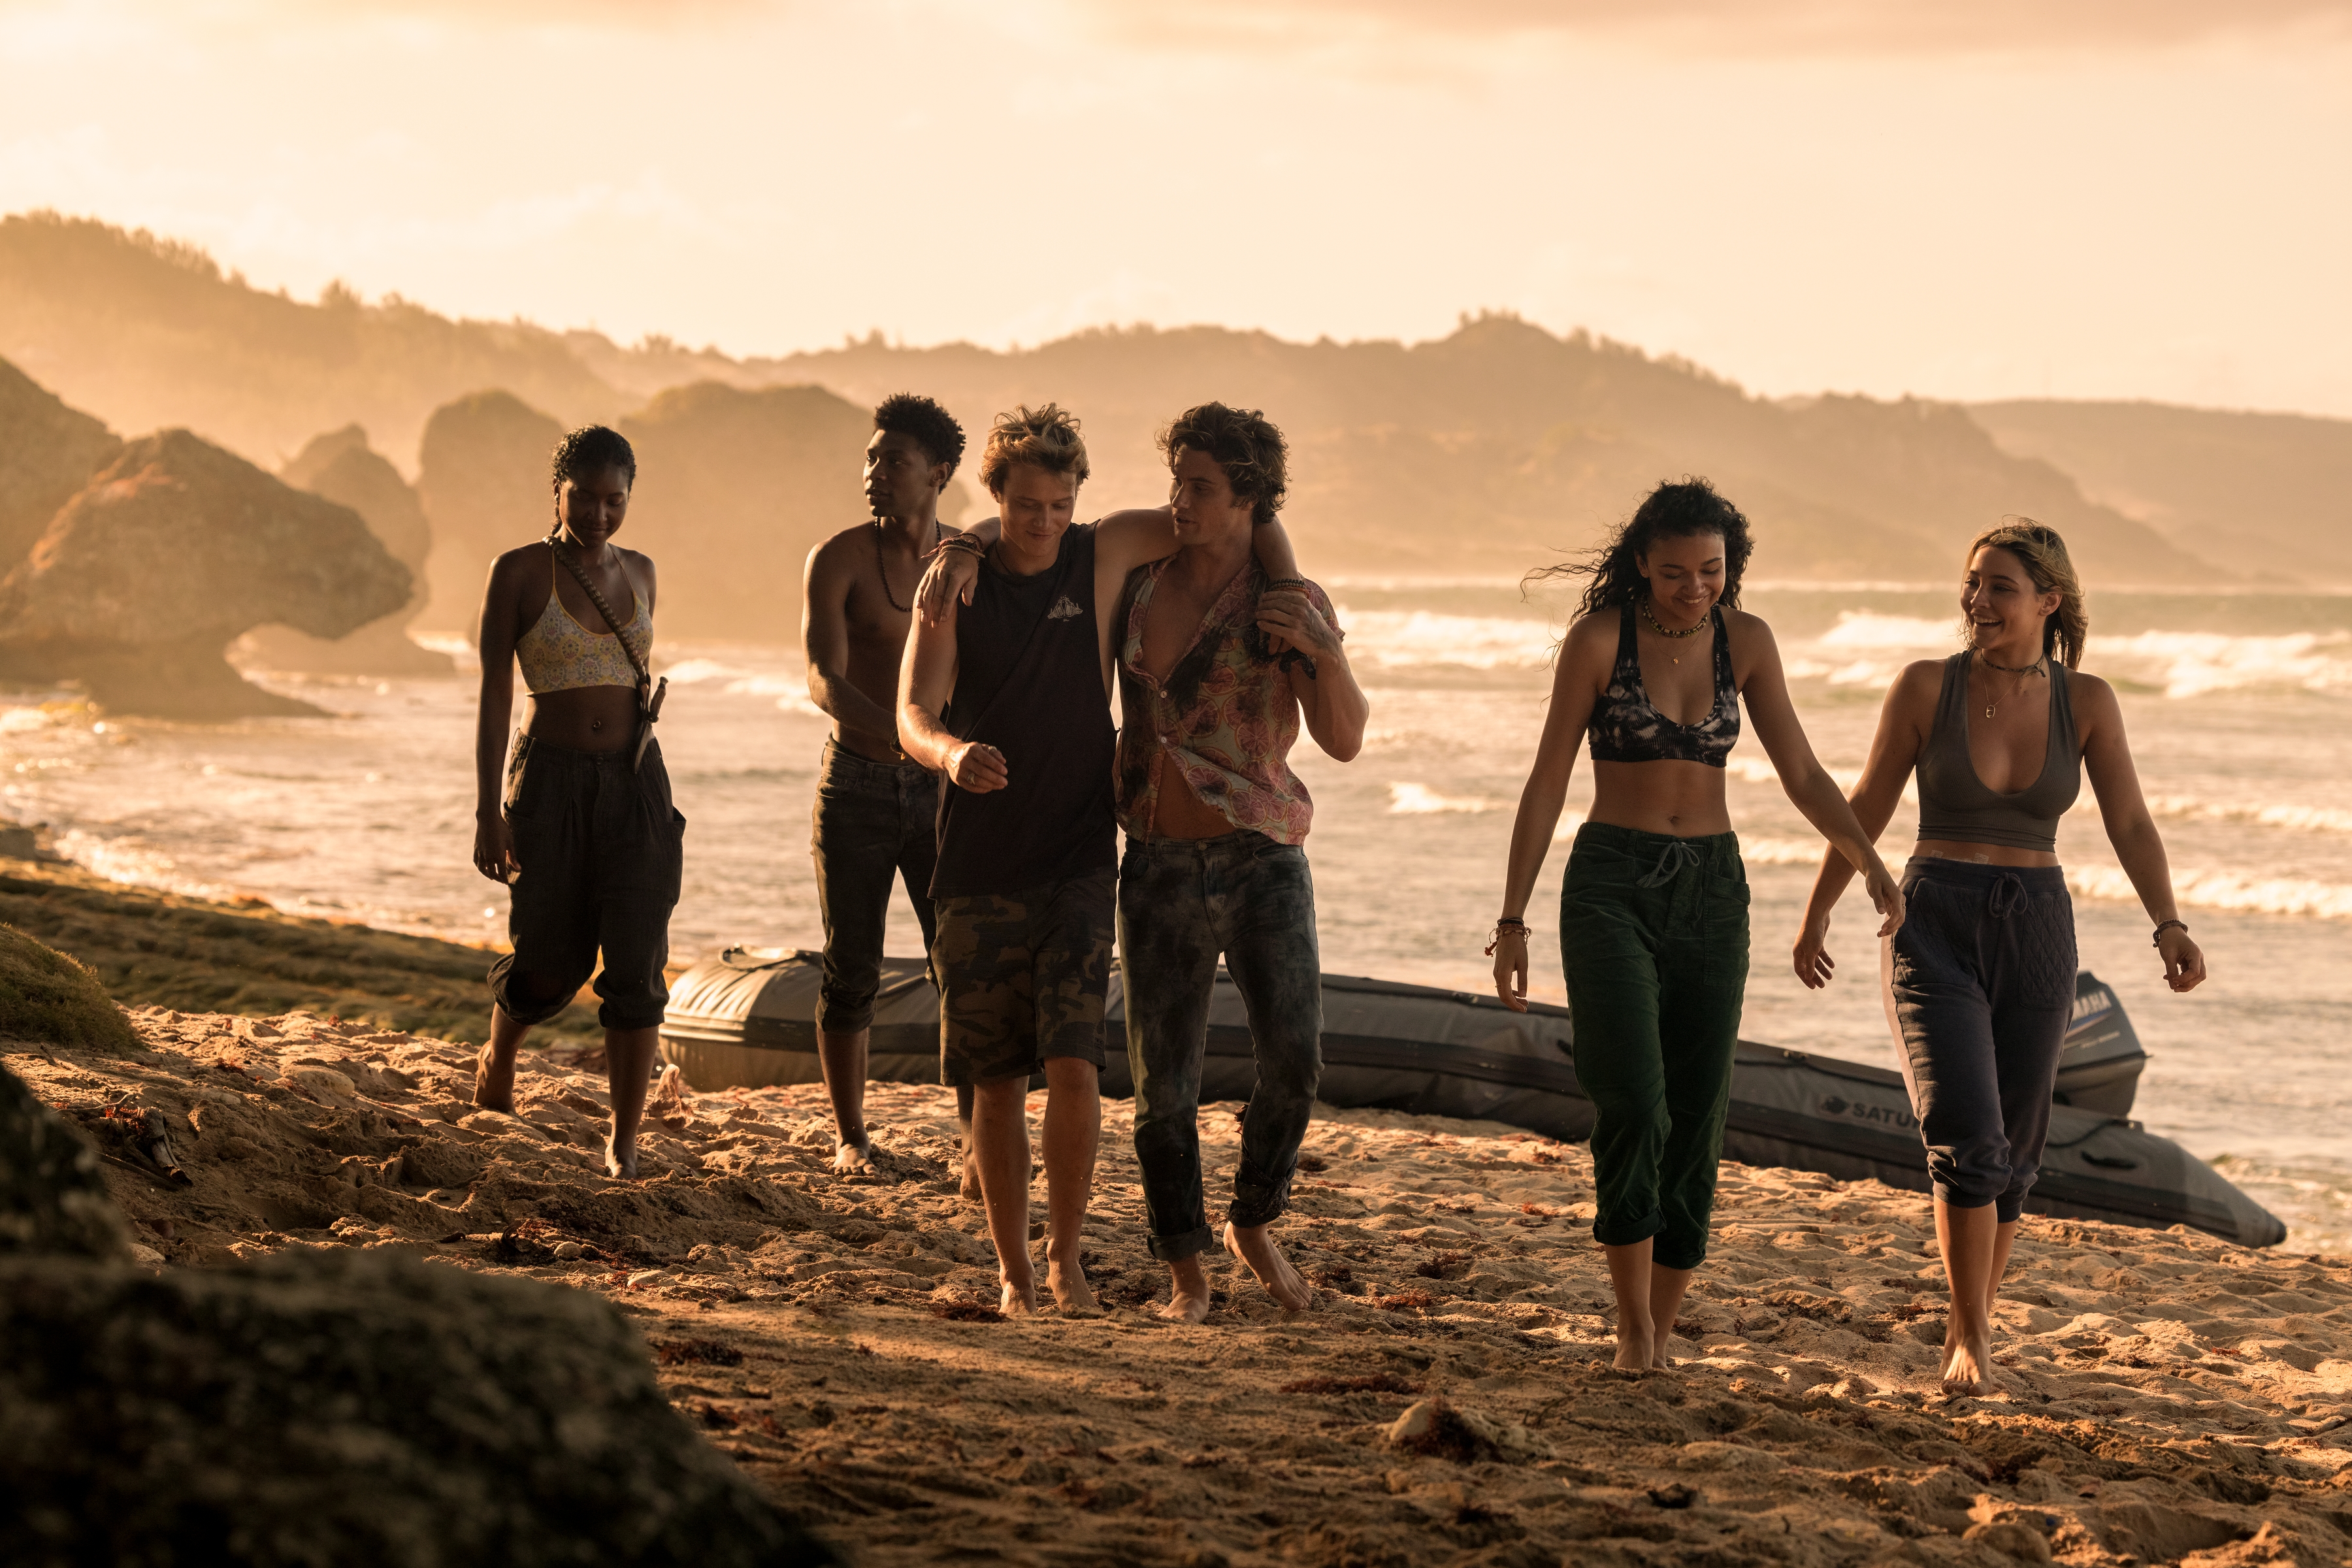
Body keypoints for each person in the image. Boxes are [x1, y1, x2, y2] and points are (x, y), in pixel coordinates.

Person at [1488, 479, 1904, 1372]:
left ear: (1731, 567)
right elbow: (1548, 779)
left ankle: (1659, 1329)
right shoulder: (1600, 641)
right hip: (1611, 883)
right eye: (1675, 573)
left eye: (1711, 571)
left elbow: (1800, 767)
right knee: (1633, 1100)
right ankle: (1630, 1319)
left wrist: (1867, 860)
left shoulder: (1745, 642)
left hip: (1714, 892)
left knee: (1697, 1113)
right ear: (1643, 563)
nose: (1694, 588)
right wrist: (1514, 916)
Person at [898, 403, 1300, 1316]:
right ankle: (1013, 1272)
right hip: (975, 865)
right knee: (998, 1084)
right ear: (994, 497)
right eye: (1024, 507)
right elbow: (911, 713)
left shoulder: (1104, 549)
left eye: (1058, 505)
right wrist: (951, 753)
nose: (1042, 524)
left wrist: (1290, 599)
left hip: (1081, 852)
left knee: (1075, 1066)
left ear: (1077, 499)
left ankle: (1068, 1256)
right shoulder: (958, 584)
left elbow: (1248, 512)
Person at [1792, 518, 2207, 1397]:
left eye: (2000, 587)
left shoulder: (2086, 701)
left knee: (2015, 1147)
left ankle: (1973, 1321)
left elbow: (2128, 820)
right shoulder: (1923, 688)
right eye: (1973, 582)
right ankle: (1970, 1335)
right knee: (1965, 1129)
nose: (1977, 600)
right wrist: (1819, 909)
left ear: (2048, 601)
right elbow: (1868, 800)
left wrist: (2167, 922)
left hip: (2039, 927)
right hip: (1932, 918)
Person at [1111, 403, 1365, 1322]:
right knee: (1161, 1087)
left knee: (1296, 1061)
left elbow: (1343, 740)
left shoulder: (1286, 604)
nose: (1180, 501)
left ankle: (1253, 1220)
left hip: (1263, 859)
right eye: (1176, 481)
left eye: (1201, 487)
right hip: (1157, 862)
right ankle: (1185, 1270)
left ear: (1249, 499)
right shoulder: (1137, 586)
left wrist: (1324, 651)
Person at [471, 425, 683, 1181]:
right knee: (545, 962)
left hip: (635, 785)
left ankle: (623, 1140)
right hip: (550, 782)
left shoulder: (644, 572)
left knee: (637, 963)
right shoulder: (521, 571)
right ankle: (500, 1056)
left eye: (614, 499)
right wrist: (487, 808)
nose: (598, 513)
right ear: (556, 490)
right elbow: (497, 691)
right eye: (584, 497)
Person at [801, 393, 974, 1180]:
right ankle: (851, 1137)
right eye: (871, 458)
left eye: (894, 461)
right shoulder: (836, 559)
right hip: (859, 785)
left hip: (942, 791)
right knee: (853, 965)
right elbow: (821, 678)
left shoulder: (967, 560)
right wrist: (901, 730)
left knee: (963, 962)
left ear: (938, 473)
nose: (875, 474)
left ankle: (975, 1134)